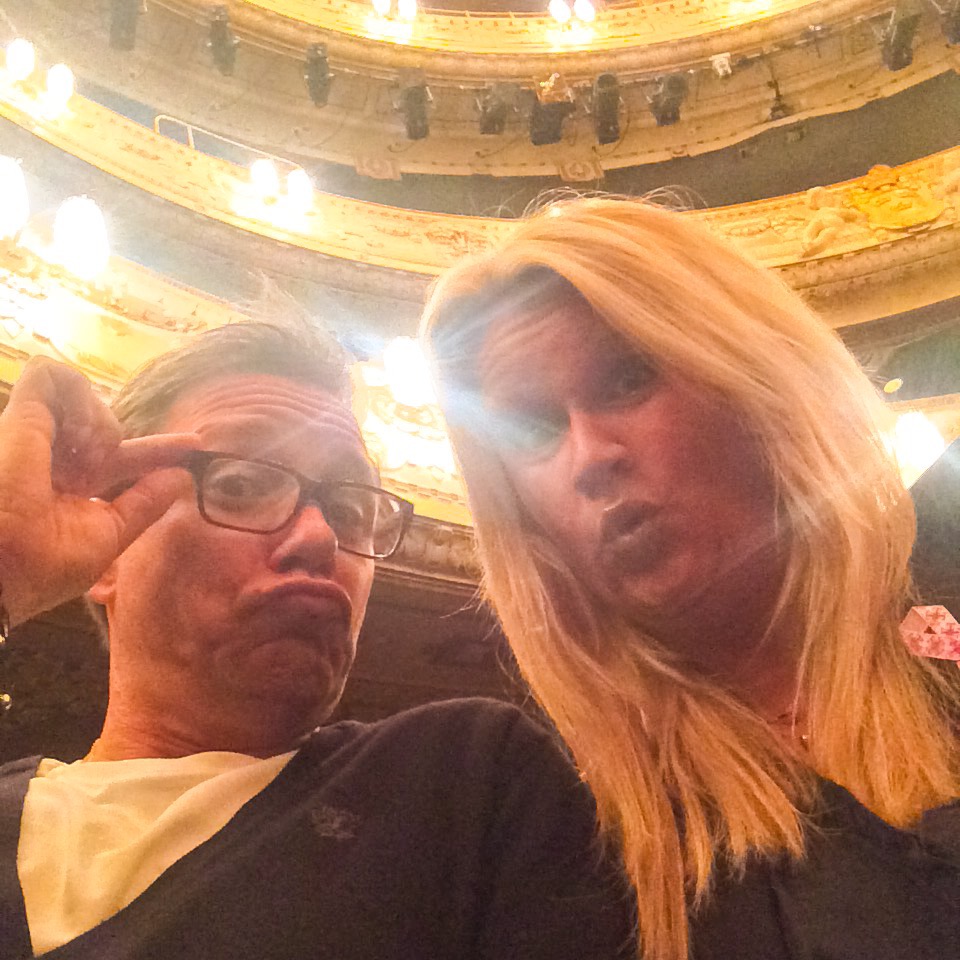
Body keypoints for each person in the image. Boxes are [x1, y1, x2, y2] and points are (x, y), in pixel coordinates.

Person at [420, 197, 960, 960]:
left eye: (626, 379)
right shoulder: (573, 842)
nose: (590, 456)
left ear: (755, 381)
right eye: (537, 428)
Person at [0, 320, 634, 959]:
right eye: (240, 485)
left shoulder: (461, 785)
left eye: (350, 510)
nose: (320, 537)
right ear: (109, 553)